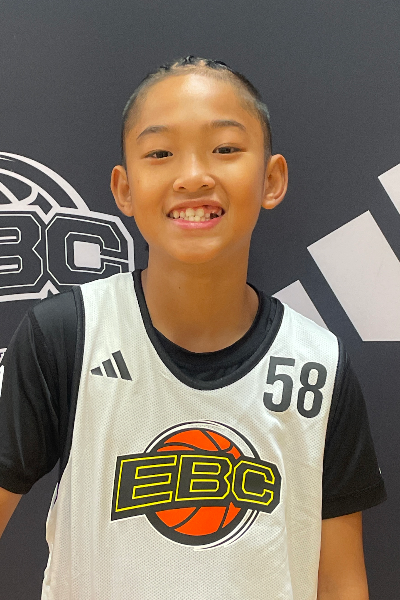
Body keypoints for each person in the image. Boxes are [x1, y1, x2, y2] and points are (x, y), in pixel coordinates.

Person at [0, 56, 386, 599]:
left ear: (272, 178)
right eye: (160, 153)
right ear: (124, 188)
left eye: (225, 149)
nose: (193, 176)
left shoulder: (318, 364)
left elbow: (340, 580)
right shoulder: (66, 335)